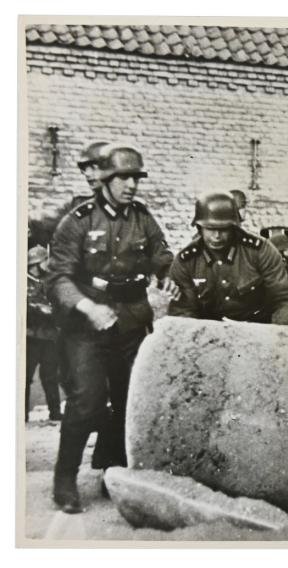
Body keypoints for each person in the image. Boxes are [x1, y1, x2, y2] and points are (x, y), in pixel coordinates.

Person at [46, 145, 178, 514]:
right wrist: (87, 306)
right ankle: (64, 479)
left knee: (127, 400)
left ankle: (110, 469)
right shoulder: (79, 220)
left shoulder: (142, 217)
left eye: (136, 178)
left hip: (131, 320)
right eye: (123, 178)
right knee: (87, 401)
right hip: (86, 324)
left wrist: (166, 276)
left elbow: (162, 255)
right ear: (105, 180)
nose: (131, 185)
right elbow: (58, 277)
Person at [168, 191, 288, 325]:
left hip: (258, 331)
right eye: (210, 229)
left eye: (223, 229)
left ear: (234, 227)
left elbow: (283, 301)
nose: (217, 236)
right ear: (199, 228)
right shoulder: (186, 261)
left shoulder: (261, 251)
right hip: (208, 335)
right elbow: (183, 312)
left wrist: (278, 338)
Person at [26, 245, 62, 422]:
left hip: (49, 336)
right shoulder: (22, 281)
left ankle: (55, 412)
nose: (48, 264)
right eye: (45, 260)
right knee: (25, 377)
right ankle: (21, 414)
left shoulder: (50, 281)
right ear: (35, 263)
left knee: (50, 376)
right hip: (30, 336)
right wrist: (40, 310)